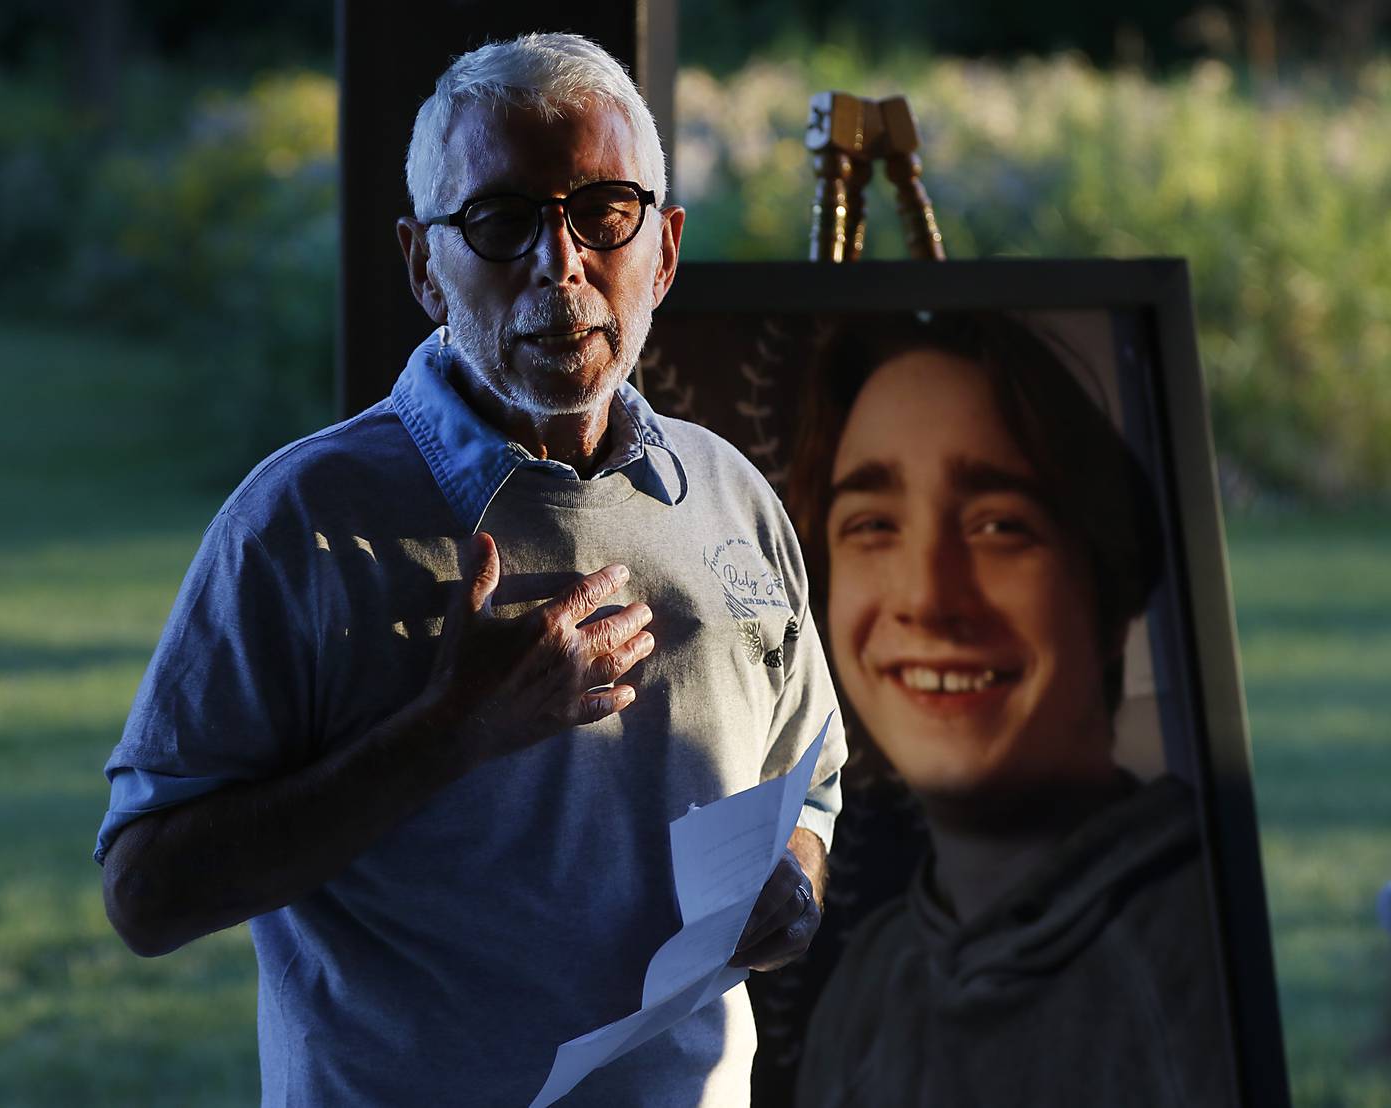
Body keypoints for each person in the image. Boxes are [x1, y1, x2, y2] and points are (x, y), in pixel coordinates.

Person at [95, 32, 845, 1107]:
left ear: (665, 252)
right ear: (421, 265)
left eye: (605, 212)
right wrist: (449, 733)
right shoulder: (302, 523)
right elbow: (145, 892)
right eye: (501, 220)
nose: (562, 263)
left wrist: (800, 879)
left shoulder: (734, 498)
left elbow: (812, 776)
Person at [786, 314, 1232, 1106]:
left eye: (999, 526)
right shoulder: (866, 987)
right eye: (873, 526)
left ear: (1110, 583)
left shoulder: (1218, 953)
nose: (926, 597)